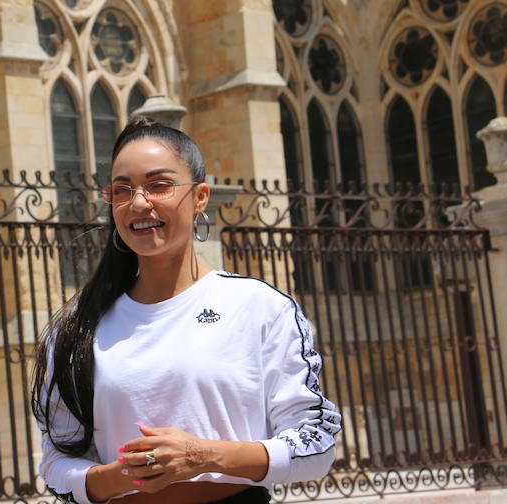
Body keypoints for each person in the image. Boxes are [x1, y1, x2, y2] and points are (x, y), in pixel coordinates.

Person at [32, 118, 341, 504]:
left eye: (158, 185)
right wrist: (126, 475)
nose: (139, 202)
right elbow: (57, 464)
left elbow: (316, 445)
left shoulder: (260, 308)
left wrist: (202, 456)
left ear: (200, 197)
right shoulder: (77, 326)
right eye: (122, 190)